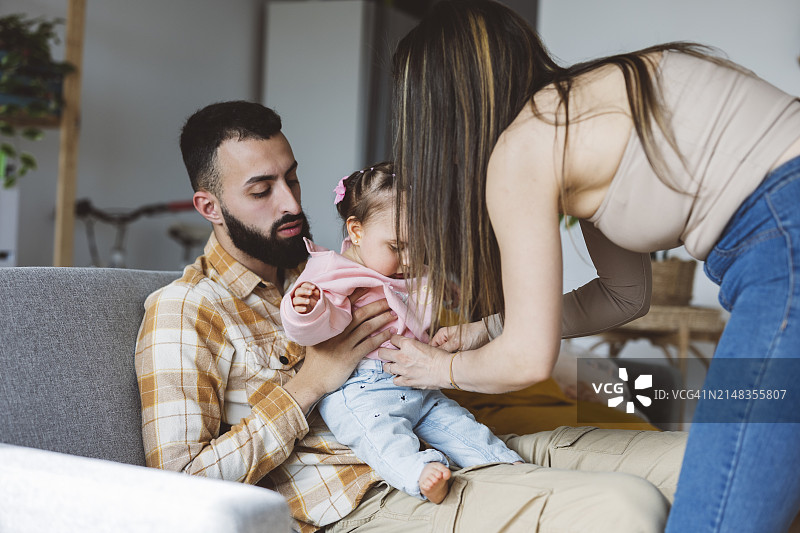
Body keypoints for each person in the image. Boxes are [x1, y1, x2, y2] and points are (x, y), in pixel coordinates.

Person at [135, 100, 687, 533]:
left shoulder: (351, 269)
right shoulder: (187, 310)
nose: (290, 205)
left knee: (703, 461)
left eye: (292, 179)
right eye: (261, 190)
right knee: (625, 507)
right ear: (208, 207)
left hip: (467, 444)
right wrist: (308, 385)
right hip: (373, 499)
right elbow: (177, 489)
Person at [383, 1, 800, 532]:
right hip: (783, 234)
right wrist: (485, 329)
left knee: (711, 517)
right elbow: (626, 294)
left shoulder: (521, 150)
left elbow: (529, 362)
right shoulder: (596, 100)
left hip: (783, 244)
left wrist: (437, 369)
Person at [280, 162, 523, 504]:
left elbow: (419, 306)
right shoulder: (333, 273)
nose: (409, 259)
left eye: (417, 247)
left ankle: (503, 464)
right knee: (381, 438)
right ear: (357, 231)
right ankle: (420, 473)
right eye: (397, 247)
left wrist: (439, 306)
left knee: (459, 424)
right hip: (361, 390)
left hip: (415, 381)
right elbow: (314, 329)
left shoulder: (409, 272)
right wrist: (306, 308)